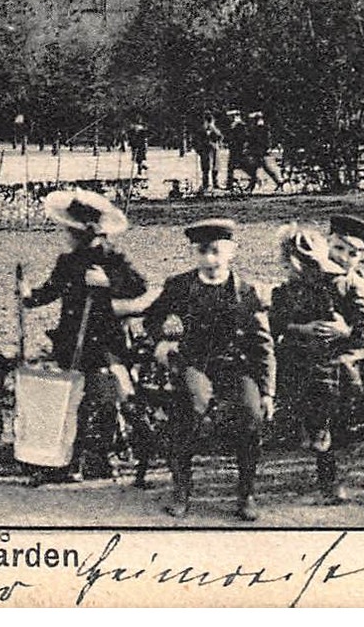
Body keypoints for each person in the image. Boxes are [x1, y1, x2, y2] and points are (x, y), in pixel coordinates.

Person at [142, 218, 276, 521]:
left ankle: (246, 494)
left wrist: (267, 391)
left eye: (216, 251)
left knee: (251, 411)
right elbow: (152, 318)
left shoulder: (246, 291)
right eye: (202, 252)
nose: (210, 259)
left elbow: (262, 344)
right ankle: (181, 491)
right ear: (195, 253)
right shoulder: (180, 286)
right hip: (194, 363)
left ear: (232, 252)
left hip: (235, 367)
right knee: (192, 404)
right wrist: (161, 343)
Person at [267, 219, 364, 509]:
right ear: (326, 246)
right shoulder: (303, 281)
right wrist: (303, 329)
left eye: (352, 253)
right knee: (318, 389)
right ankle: (328, 474)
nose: (343, 257)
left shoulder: (355, 285)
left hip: (352, 356)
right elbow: (277, 322)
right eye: (338, 248)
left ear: (361, 257)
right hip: (311, 359)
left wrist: (344, 332)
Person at [21, 189, 148, 481]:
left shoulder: (113, 259)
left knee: (103, 398)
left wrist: (107, 282)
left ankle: (101, 457)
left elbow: (139, 286)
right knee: (72, 398)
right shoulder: (67, 262)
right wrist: (29, 296)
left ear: (87, 232)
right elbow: (50, 291)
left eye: (71, 230)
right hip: (71, 339)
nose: (66, 233)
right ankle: (69, 460)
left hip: (104, 340)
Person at [197, 113, 223, 194]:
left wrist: (213, 128)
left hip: (214, 150)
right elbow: (196, 140)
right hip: (205, 150)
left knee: (215, 167)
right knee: (205, 168)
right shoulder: (201, 130)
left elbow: (220, 137)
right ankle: (206, 184)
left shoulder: (214, 129)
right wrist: (199, 150)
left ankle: (215, 183)